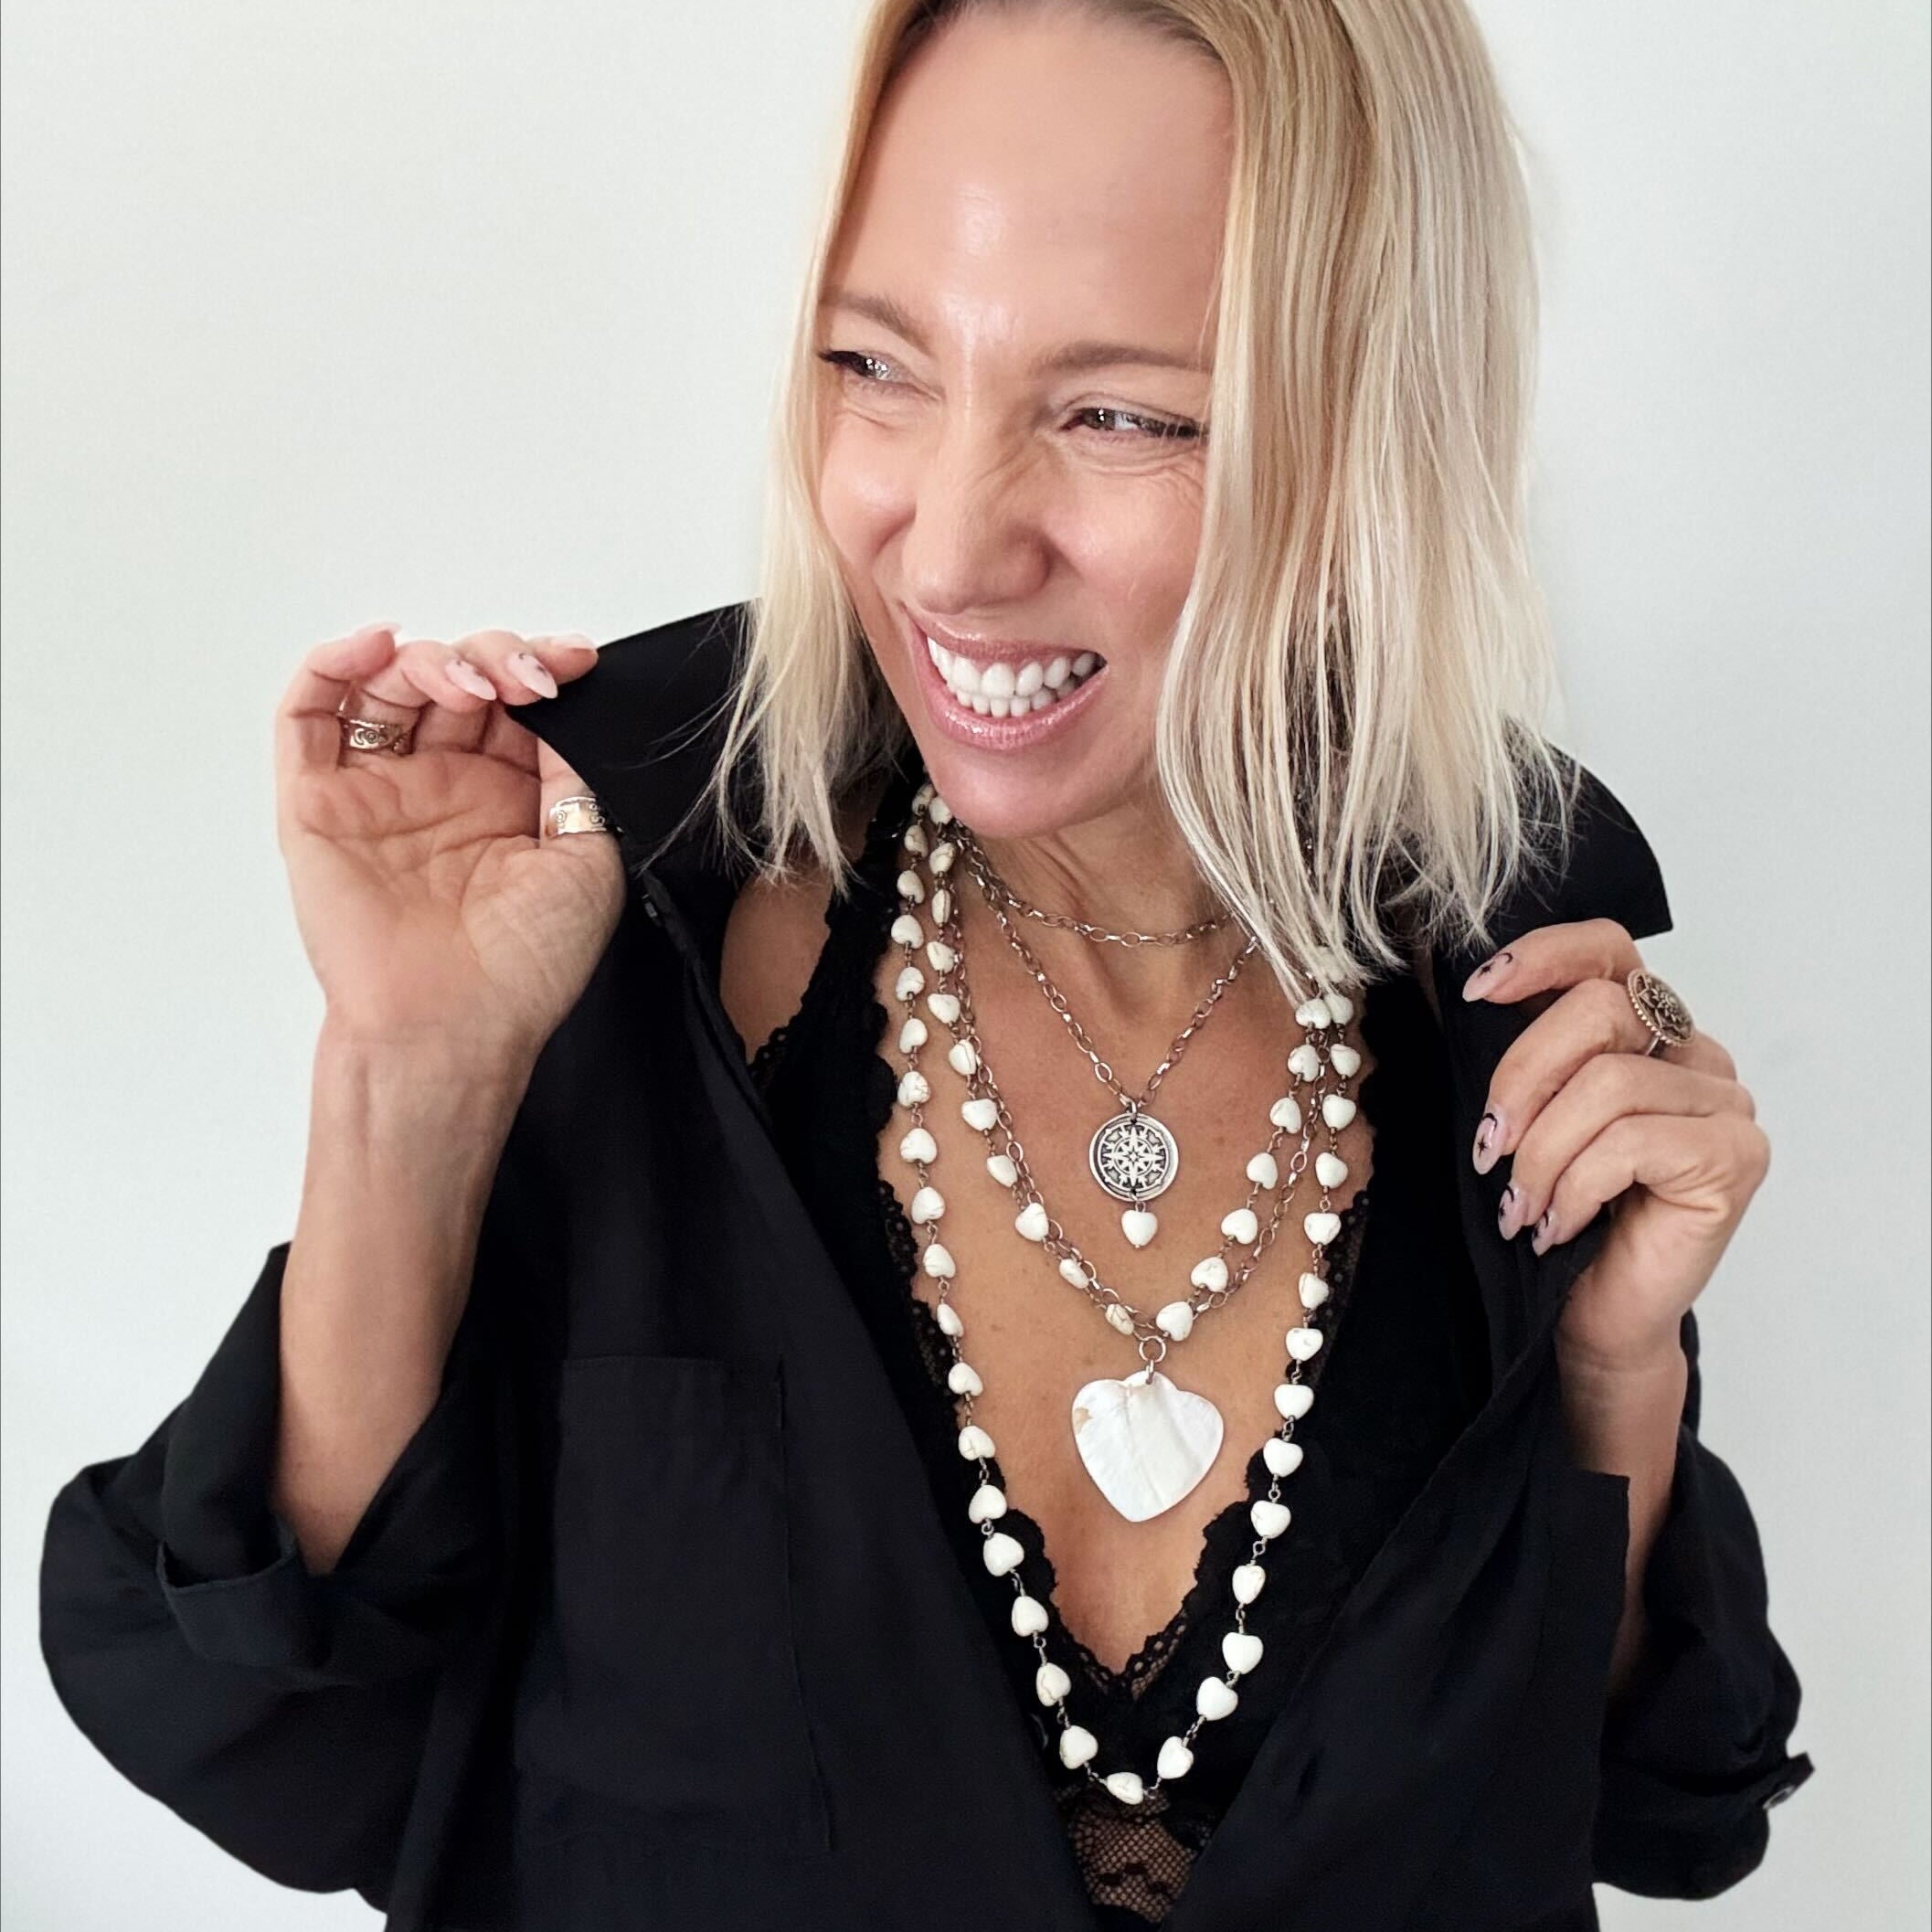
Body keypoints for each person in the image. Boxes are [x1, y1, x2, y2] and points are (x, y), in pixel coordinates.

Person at [38, 3, 1813, 1928]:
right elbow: (266, 1733)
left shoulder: (1510, 969)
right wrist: (409, 1073)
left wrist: (1613, 1370)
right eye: (874, 366)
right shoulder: (609, 903)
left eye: (1121, 412)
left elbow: (1656, 1802)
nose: (949, 549)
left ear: (1379, 419)